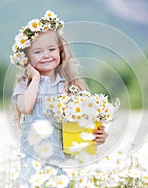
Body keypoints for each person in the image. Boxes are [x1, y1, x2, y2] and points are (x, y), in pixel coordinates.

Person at [11, 10, 108, 187]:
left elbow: (85, 120)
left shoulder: (70, 85)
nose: (46, 55)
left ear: (61, 52)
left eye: (51, 49)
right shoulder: (25, 84)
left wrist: (98, 134)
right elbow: (25, 107)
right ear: (27, 58)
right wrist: (36, 79)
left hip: (63, 160)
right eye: (37, 51)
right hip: (34, 159)